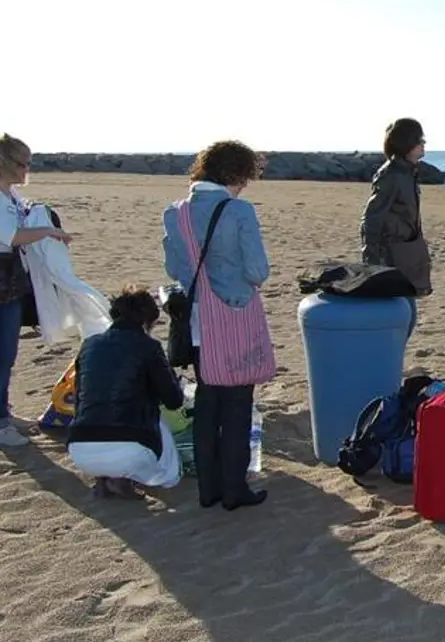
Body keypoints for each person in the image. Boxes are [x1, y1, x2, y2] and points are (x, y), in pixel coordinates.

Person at [162, 141, 270, 510]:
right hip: (235, 314)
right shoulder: (239, 211)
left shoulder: (175, 214)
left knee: (208, 402)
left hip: (196, 319)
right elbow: (258, 271)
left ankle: (209, 487)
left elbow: (175, 270)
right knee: (238, 403)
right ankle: (234, 487)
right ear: (236, 174)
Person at [66, 285, 185, 499]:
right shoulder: (148, 346)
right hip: (128, 446)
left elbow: (80, 395)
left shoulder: (90, 344)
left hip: (79, 446)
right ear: (146, 321)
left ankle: (104, 477)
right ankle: (119, 478)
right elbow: (174, 400)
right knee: (169, 474)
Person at [0, 134, 73, 448]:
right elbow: (12, 236)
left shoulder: (11, 193)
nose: (26, 169)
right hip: (3, 277)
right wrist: (49, 231)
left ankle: (3, 413)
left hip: (12, 279)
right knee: (2, 354)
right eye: (22, 163)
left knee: (8, 353)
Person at [361, 118, 431, 333]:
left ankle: (392, 361)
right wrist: (372, 264)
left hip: (406, 254)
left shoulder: (408, 172)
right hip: (391, 257)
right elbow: (371, 220)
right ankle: (387, 362)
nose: (424, 144)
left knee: (406, 316)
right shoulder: (391, 175)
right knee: (401, 317)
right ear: (407, 144)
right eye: (420, 140)